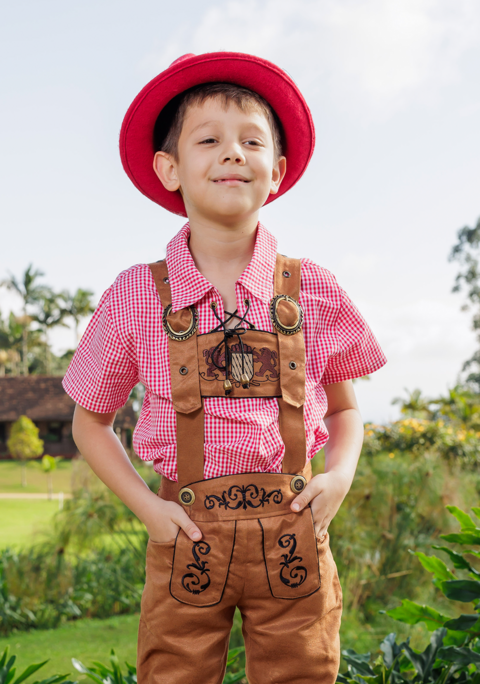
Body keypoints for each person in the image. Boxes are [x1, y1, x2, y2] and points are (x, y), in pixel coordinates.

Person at [63, 52, 387, 684]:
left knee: (304, 674)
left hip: (294, 533)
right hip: (185, 535)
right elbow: (88, 423)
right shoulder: (134, 296)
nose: (232, 153)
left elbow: (345, 409)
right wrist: (148, 511)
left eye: (251, 141)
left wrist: (340, 475)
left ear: (278, 170)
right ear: (170, 167)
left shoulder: (313, 288)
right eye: (208, 139)